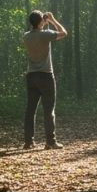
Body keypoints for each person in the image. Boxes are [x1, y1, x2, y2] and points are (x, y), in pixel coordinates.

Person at [23, 9, 67, 149]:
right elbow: (64, 33)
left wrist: (42, 22)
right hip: (46, 75)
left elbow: (36, 32)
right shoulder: (45, 35)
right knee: (49, 110)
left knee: (30, 110)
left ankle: (28, 142)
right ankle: (50, 141)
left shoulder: (26, 36)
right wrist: (52, 20)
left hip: (31, 76)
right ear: (41, 21)